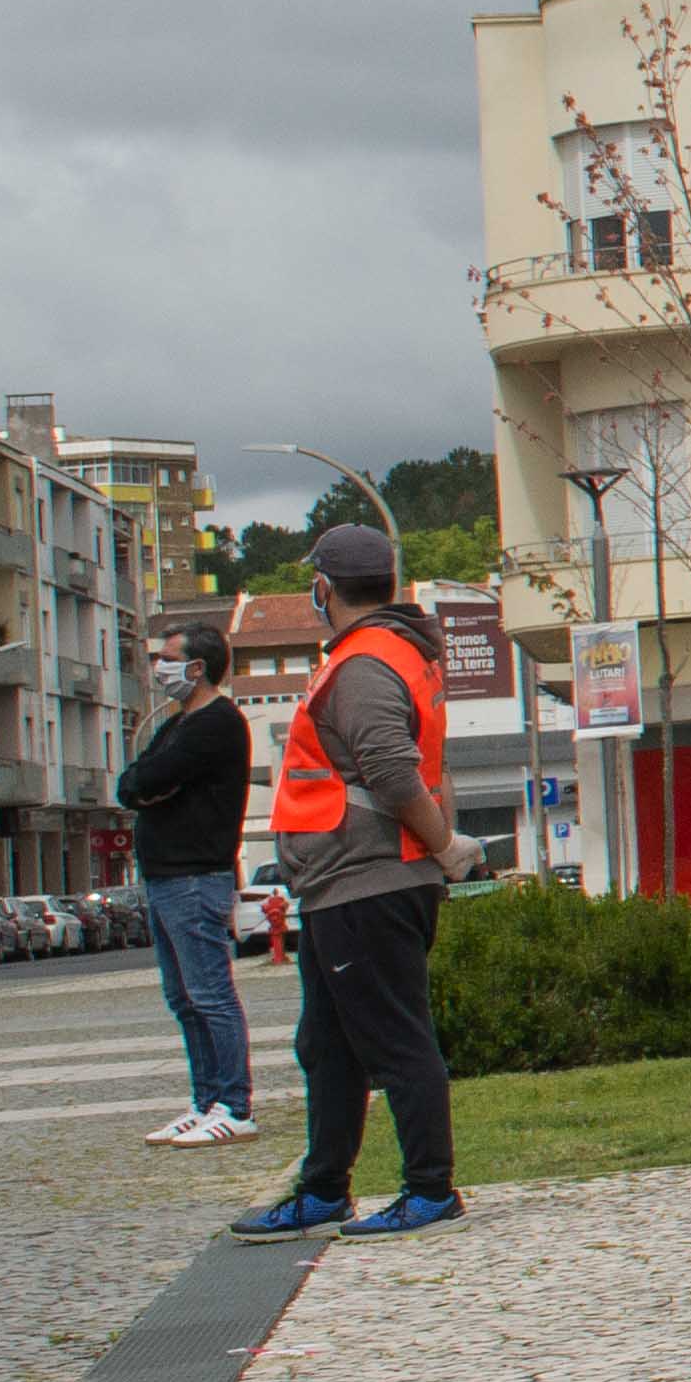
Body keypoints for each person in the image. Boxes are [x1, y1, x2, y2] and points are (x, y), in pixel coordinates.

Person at [224, 526, 474, 1241]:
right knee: (326, 1044)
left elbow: (394, 774)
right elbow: (426, 765)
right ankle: (324, 1188)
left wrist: (441, 846)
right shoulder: (396, 654)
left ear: (324, 586)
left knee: (397, 1042)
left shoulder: (363, 663)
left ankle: (430, 1190)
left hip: (367, 883)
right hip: (347, 885)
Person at [119, 626, 259, 1147]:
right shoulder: (176, 724)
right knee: (183, 998)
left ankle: (234, 1104)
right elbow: (132, 784)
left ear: (197, 667)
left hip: (196, 875)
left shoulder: (216, 724)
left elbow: (148, 781)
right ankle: (205, 1100)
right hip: (164, 877)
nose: (158, 666)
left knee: (210, 995)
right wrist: (147, 786)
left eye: (167, 658)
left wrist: (150, 786)